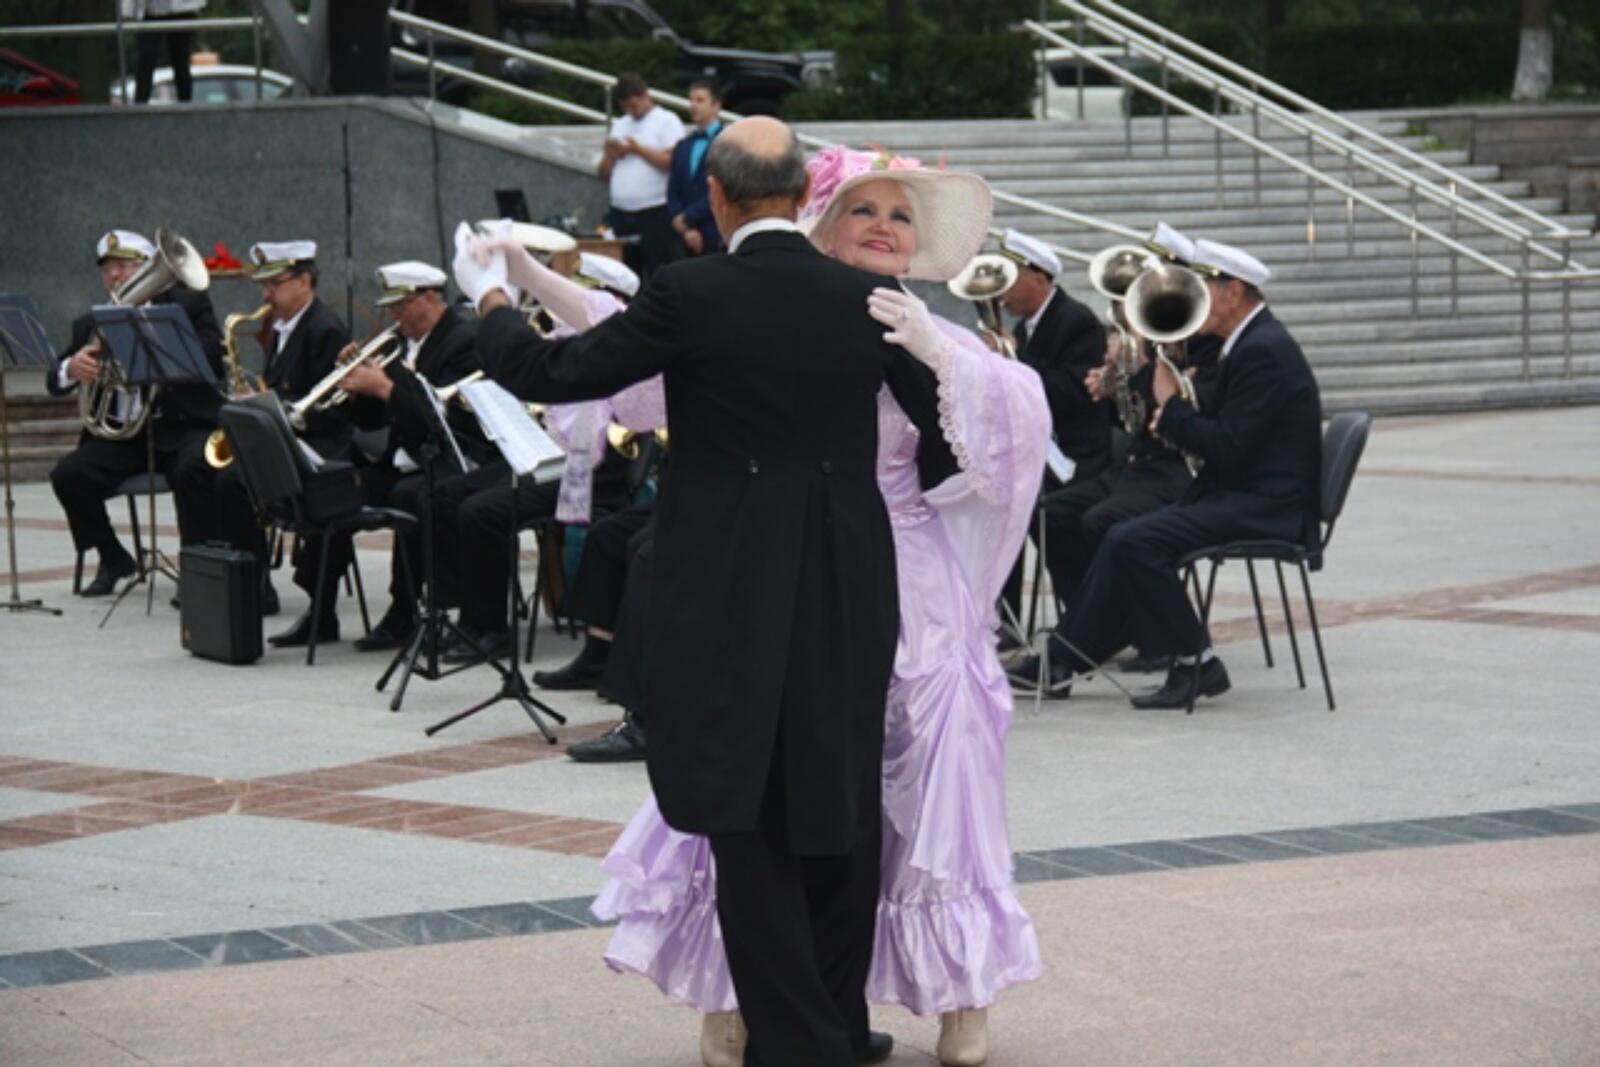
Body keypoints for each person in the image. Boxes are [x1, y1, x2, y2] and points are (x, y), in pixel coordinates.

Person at [458, 116, 948, 1066]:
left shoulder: (690, 293)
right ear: (804, 196)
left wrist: (489, 298)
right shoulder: (867, 298)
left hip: (729, 578)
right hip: (851, 571)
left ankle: (802, 1042)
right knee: (836, 796)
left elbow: (555, 368)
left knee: (745, 805)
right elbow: (945, 428)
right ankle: (837, 1023)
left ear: (716, 200)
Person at [576, 145, 1051, 1067]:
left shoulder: (930, 329)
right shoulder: (791, 310)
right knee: (762, 776)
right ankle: (742, 994)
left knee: (936, 773)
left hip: (909, 568)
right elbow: (644, 369)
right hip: (796, 572)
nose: (883, 226)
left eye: (901, 217)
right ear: (819, 224)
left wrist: (941, 358)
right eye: (863, 211)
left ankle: (961, 992)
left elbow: (1019, 423)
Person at [1017, 239, 1323, 706]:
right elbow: (1225, 435)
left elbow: (1229, 448)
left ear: (1233, 292)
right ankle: (1066, 656)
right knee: (1123, 536)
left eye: (1205, 287)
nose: (1197, 298)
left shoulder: (1262, 350)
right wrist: (1168, 404)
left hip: (1267, 505)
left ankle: (1193, 663)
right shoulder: (1250, 344)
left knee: (1132, 539)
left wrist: (1173, 407)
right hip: (1243, 492)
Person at [433, 253, 645, 665]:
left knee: (482, 511)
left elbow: (593, 430)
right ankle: (459, 616)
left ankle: (491, 628)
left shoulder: (615, 344)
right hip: (550, 458)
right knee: (446, 495)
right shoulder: (567, 339)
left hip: (590, 473)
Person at [47, 229, 223, 595]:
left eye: (125, 266)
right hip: (126, 438)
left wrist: (164, 341)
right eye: (108, 269)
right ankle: (113, 557)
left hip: (181, 428)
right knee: (68, 475)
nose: (115, 276)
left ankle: (196, 568)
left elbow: (214, 361)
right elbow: (53, 378)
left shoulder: (189, 307)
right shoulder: (92, 323)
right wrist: (71, 368)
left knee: (194, 471)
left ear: (147, 269)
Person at [329, 261, 489, 652]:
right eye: (390, 307)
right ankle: (320, 611)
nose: (393, 315)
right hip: (406, 461)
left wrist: (386, 389)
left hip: (457, 460)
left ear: (431, 298)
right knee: (332, 488)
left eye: (401, 305)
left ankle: (420, 609)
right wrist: (357, 390)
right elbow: (374, 422)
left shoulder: (463, 342)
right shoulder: (400, 346)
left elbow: (443, 424)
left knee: (412, 496)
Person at [993, 227, 1111, 633]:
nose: (1001, 291)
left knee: (1029, 511)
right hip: (1041, 449)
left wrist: (1011, 367)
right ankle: (1005, 620)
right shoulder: (1028, 326)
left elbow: (1073, 392)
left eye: (1010, 279)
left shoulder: (1076, 320)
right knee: (994, 502)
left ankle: (1083, 619)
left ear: (1039, 279)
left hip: (1076, 453)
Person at [599, 72, 685, 280]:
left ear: (646, 96)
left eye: (635, 105)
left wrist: (638, 150)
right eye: (627, 107)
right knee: (625, 274)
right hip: (621, 212)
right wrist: (610, 155)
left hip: (654, 211)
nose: (632, 111)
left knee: (658, 270)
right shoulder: (620, 124)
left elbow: (671, 162)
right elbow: (602, 174)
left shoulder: (666, 121)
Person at [667, 79, 725, 257]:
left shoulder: (727, 141)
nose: (693, 105)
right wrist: (683, 225)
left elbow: (723, 185)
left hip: (715, 229)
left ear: (716, 105)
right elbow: (673, 187)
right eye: (691, 100)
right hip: (682, 234)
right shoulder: (683, 145)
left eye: (700, 100)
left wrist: (688, 217)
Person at [125, 0, 207, 104]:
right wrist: (127, 10)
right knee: (146, 58)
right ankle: (140, 105)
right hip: (150, 11)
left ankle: (185, 104)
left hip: (182, 10)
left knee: (180, 60)